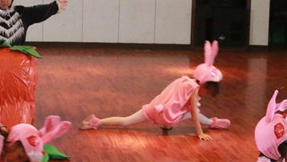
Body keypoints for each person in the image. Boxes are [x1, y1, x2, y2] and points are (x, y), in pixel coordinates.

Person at [80, 40, 230, 140]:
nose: (206, 94)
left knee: (126, 121)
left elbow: (170, 98)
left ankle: (96, 122)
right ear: (204, 84)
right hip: (163, 115)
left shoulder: (184, 81)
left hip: (156, 109)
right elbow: (194, 113)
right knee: (191, 112)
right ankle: (212, 123)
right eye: (208, 91)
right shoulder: (194, 88)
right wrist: (200, 133)